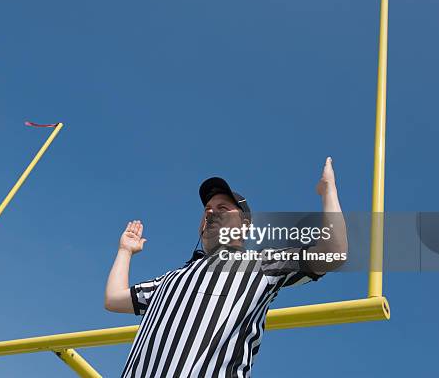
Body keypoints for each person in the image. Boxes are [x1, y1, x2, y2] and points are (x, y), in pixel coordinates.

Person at [105, 157, 347, 377]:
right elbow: (115, 299)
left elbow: (333, 252)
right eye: (207, 209)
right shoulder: (169, 280)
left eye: (223, 208)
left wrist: (328, 191)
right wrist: (125, 251)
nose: (211, 212)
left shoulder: (259, 264)